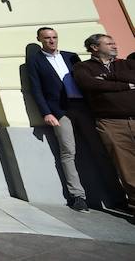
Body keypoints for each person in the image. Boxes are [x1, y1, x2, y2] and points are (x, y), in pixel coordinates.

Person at [25, 26, 120, 212]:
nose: (51, 41)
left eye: (54, 37)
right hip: (60, 111)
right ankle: (77, 196)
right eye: (47, 38)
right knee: (68, 152)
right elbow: (36, 89)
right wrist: (47, 112)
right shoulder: (34, 61)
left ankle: (116, 195)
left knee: (100, 148)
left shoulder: (71, 56)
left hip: (83, 107)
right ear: (39, 40)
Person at [72, 34, 135, 214]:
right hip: (112, 123)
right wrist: (126, 85)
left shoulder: (126, 64)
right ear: (94, 47)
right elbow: (89, 84)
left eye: (114, 42)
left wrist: (108, 77)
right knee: (128, 167)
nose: (114, 45)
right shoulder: (83, 67)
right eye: (109, 43)